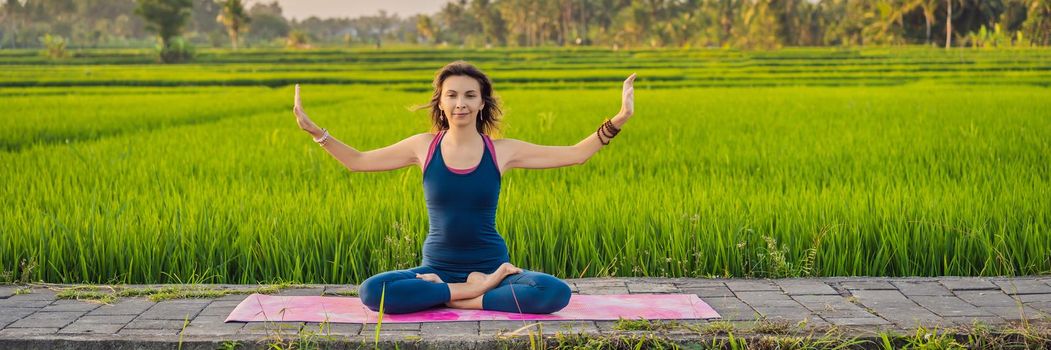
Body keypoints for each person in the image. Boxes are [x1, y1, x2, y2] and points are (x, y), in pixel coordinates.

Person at [292, 60, 636, 314]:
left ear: (481, 103)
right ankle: (473, 293)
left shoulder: (502, 151)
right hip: (433, 270)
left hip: (492, 267)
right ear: (440, 102)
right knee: (372, 292)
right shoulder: (423, 146)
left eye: (470, 95)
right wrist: (316, 132)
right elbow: (359, 161)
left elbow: (576, 154)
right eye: (452, 95)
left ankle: (465, 292)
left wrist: (617, 119)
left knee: (552, 292)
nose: (461, 103)